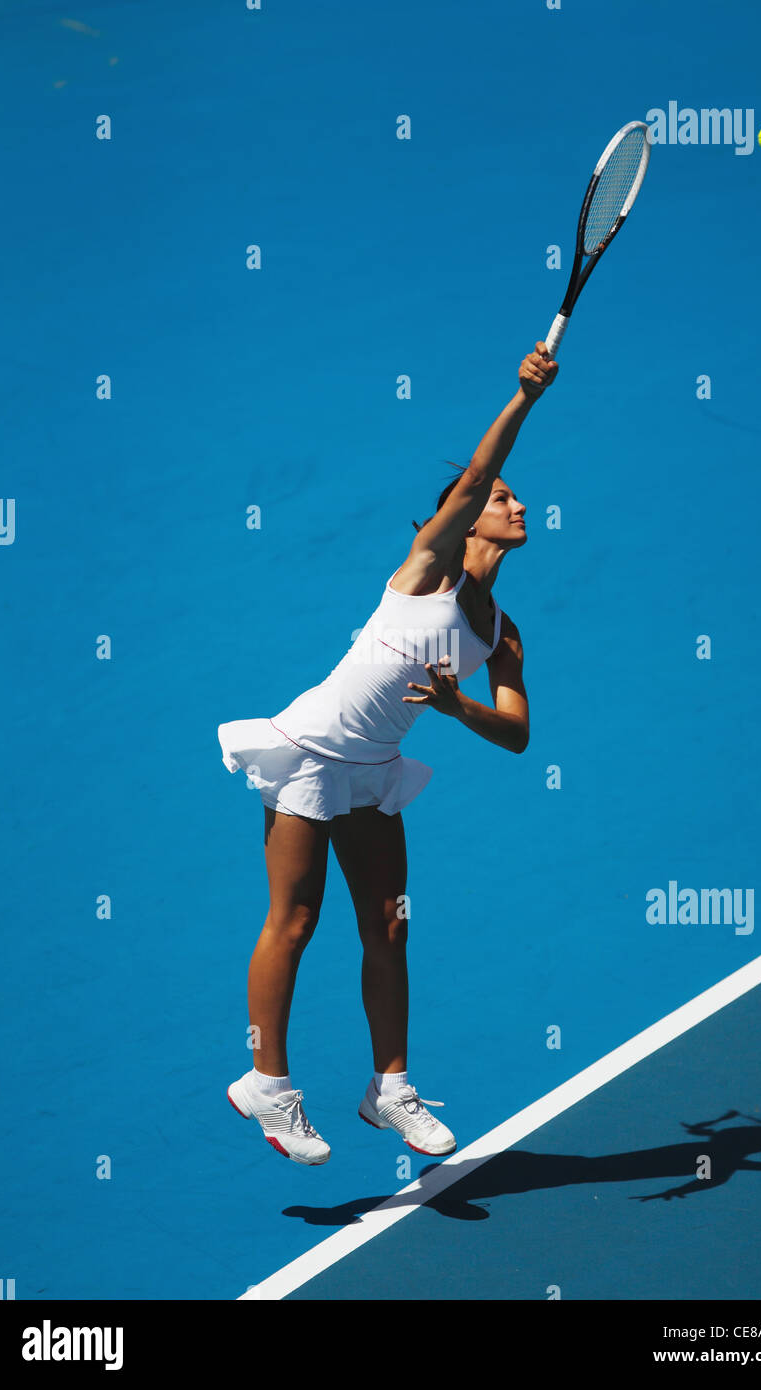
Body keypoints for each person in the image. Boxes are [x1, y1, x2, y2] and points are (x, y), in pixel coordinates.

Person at [218, 342, 559, 1164]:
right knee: (295, 920)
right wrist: (524, 398)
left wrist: (454, 704)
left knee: (389, 927)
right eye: (504, 499)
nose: (519, 506)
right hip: (311, 749)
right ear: (465, 517)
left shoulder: (501, 634)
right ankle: (265, 1082)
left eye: (517, 497)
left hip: (373, 771)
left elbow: (516, 736)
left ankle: (389, 1088)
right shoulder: (429, 569)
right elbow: (476, 474)